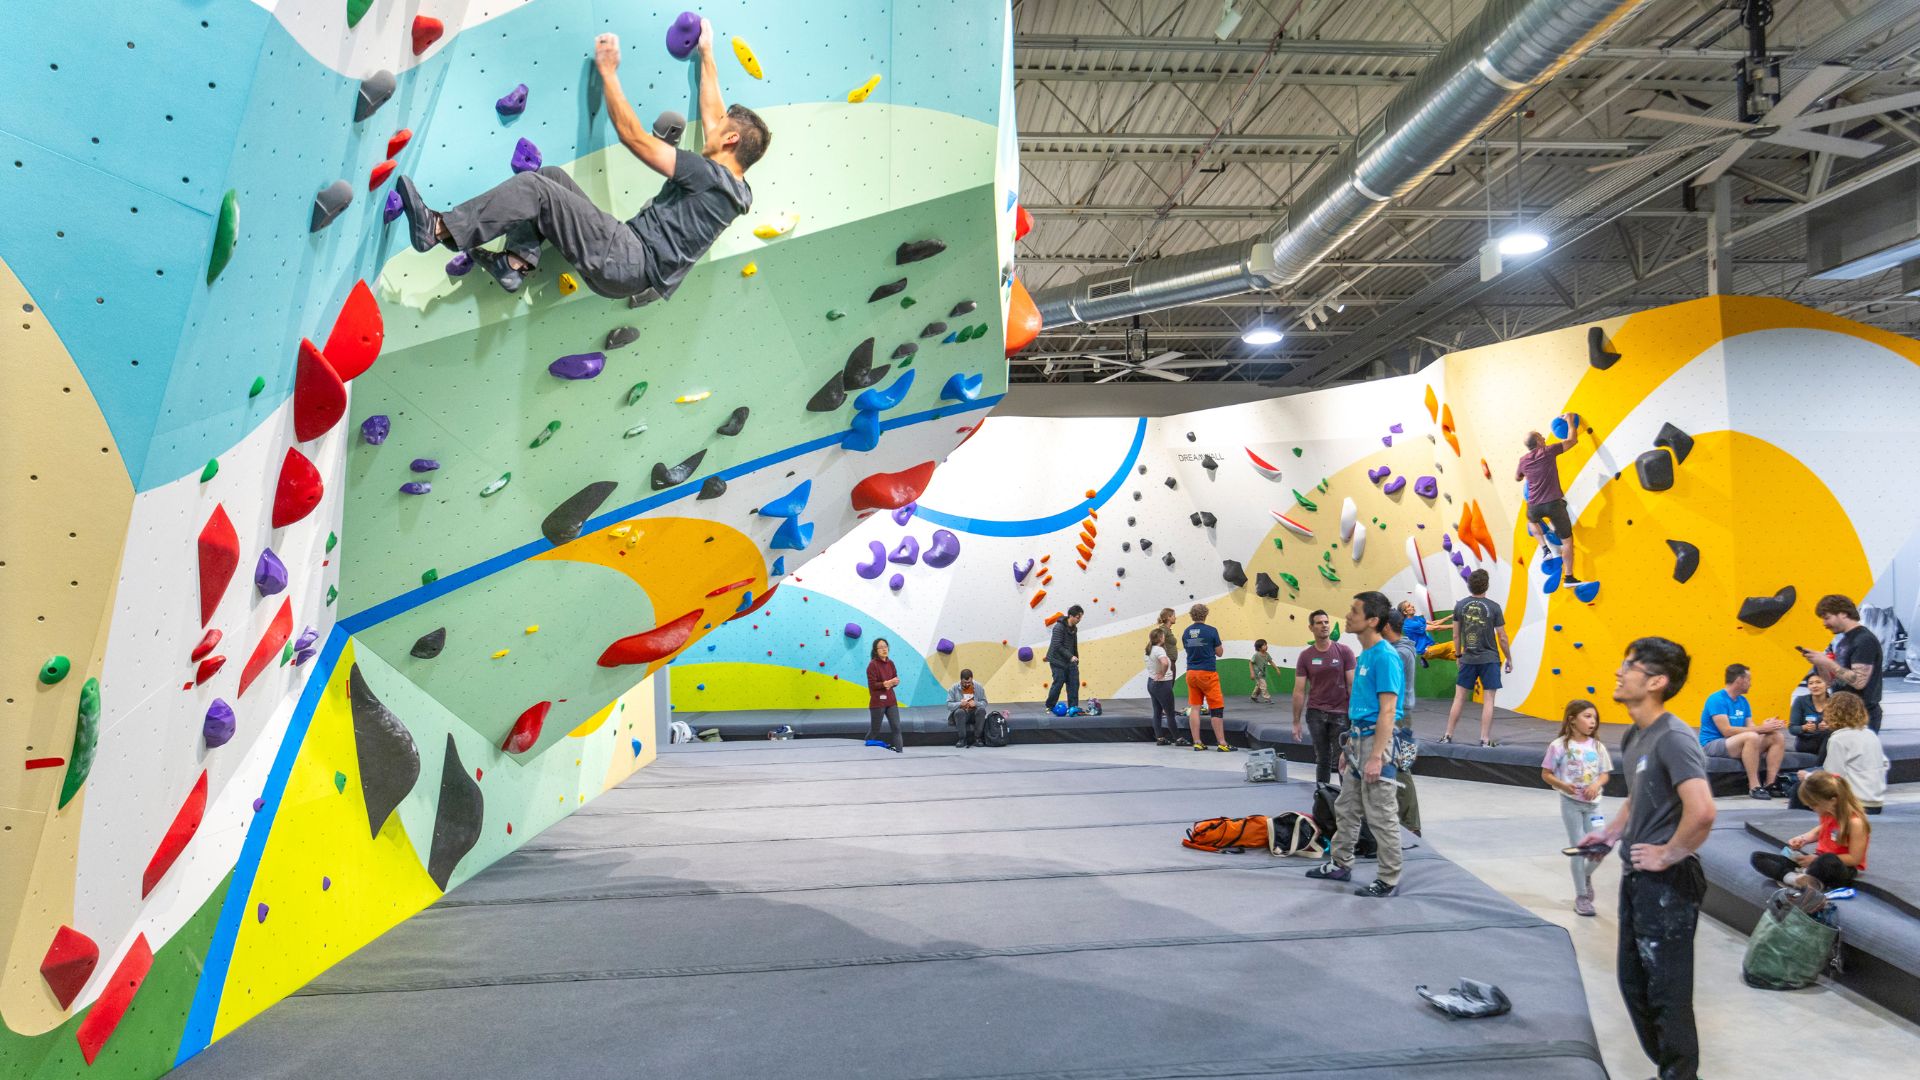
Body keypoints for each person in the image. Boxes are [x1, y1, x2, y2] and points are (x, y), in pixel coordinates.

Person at [394, 23, 767, 299]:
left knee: (535, 189)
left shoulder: (705, 175)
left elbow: (635, 138)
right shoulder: (734, 190)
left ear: (730, 139)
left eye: (720, 128)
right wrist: (708, 52)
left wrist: (608, 72)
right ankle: (514, 263)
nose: (711, 126)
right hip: (629, 272)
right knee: (552, 179)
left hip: (627, 256)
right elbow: (716, 110)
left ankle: (439, 229)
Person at [1577, 637, 1713, 1080]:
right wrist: (1612, 833)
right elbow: (1640, 796)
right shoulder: (1637, 734)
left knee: (1667, 994)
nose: (1618, 672)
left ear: (1656, 681)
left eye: (1629, 666)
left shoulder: (1674, 737)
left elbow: (1703, 811)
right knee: (1634, 984)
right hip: (1639, 879)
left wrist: (1669, 853)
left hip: (1668, 885)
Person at [1306, 591, 1406, 898]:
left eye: (1354, 611)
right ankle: (1340, 863)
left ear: (1372, 621)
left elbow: (1388, 710)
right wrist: (1349, 748)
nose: (1347, 616)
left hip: (1377, 743)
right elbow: (1362, 707)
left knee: (1380, 814)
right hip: (1358, 742)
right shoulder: (1365, 656)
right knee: (1347, 806)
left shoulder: (1386, 657)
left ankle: (1388, 879)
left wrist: (1376, 756)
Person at [1542, 699, 1613, 916]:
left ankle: (1586, 875)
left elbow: (1604, 774)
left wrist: (1596, 785)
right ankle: (1582, 895)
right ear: (1572, 720)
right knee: (1578, 849)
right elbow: (1546, 774)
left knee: (1601, 846)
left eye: (1594, 717)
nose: (1593, 721)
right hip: (1571, 804)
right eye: (1587, 716)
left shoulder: (1597, 746)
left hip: (1593, 806)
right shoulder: (1558, 746)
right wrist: (1563, 785)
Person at [1750, 771, 1871, 893]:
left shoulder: (1855, 823)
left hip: (1838, 866)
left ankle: (1803, 877)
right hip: (1816, 861)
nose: (1811, 808)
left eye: (1814, 804)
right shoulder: (1828, 813)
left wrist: (1816, 860)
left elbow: (1854, 859)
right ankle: (1794, 878)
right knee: (1758, 857)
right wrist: (1802, 839)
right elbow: (1819, 832)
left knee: (1828, 860)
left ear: (1833, 801)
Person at [1440, 569, 1511, 746]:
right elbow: (1502, 637)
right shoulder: (1494, 607)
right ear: (1486, 585)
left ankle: (1448, 735)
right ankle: (1485, 739)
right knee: (1489, 700)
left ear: (1469, 585)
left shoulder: (1460, 606)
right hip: (1490, 659)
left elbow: (1455, 635)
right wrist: (1509, 658)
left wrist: (1458, 655)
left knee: (1459, 698)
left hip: (1468, 659)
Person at [1699, 663, 1787, 799]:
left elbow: (1751, 727)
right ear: (1739, 680)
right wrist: (1760, 729)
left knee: (1776, 736)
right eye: (1749, 680)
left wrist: (1766, 727)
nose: (1750, 684)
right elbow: (1726, 731)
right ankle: (1754, 786)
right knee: (1751, 737)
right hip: (1713, 744)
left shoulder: (1743, 701)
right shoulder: (1716, 699)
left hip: (1737, 742)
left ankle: (1770, 784)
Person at [1801, 594, 1884, 732]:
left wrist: (1827, 662)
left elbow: (1859, 682)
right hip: (1842, 713)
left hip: (1862, 715)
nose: (1824, 624)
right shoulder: (1843, 641)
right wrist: (1821, 664)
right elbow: (1830, 682)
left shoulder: (1864, 640)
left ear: (1843, 614)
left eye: (1827, 618)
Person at [1516, 414, 1583, 584]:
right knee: (1567, 541)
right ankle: (1569, 577)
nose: (1544, 437)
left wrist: (1530, 474)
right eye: (1541, 436)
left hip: (1535, 506)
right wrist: (1569, 420)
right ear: (1538, 442)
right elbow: (1572, 440)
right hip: (1553, 504)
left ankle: (1544, 548)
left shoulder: (1523, 460)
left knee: (1531, 518)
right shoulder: (1548, 451)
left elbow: (1517, 478)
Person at [1291, 610, 1356, 784]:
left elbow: (1353, 686)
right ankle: (1323, 795)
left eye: (1326, 622)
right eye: (1319, 623)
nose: (1324, 625)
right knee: (1323, 759)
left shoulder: (1344, 652)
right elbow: (1299, 690)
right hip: (1316, 713)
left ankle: (1347, 801)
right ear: (1311, 627)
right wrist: (1296, 722)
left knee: (1344, 758)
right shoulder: (1305, 656)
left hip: (1341, 713)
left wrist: (1357, 716)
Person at [1382, 608, 1422, 837]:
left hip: (1397, 717)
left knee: (1400, 768)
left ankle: (1410, 824)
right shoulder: (1402, 649)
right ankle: (1406, 822)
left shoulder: (1398, 654)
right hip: (1399, 715)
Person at [1818, 691, 1889, 814]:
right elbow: (1885, 764)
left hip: (1855, 804)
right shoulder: (1870, 734)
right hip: (1876, 801)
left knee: (1803, 788)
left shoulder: (1838, 739)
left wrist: (1809, 777)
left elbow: (1834, 776)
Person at [1182, 604, 1231, 752]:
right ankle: (1222, 743)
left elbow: (1188, 649)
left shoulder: (1186, 632)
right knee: (1216, 708)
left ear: (1192, 615)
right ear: (1205, 614)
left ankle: (1197, 742)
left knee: (1195, 708)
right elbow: (1219, 652)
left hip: (1191, 673)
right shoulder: (1211, 631)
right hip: (1207, 673)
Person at [864, 638, 903, 753]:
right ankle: (866, 745)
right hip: (878, 702)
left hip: (891, 701)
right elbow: (872, 685)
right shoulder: (872, 665)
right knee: (875, 730)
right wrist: (885, 684)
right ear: (876, 651)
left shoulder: (891, 663)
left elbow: (894, 677)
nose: (884, 649)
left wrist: (895, 682)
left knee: (897, 728)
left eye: (885, 646)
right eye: (881, 647)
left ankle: (900, 752)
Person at [1044, 605, 1083, 713]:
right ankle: (1050, 706)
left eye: (1080, 618)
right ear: (1071, 616)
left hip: (1069, 660)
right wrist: (1070, 656)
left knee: (1074, 683)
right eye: (1077, 617)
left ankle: (1073, 707)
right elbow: (1057, 645)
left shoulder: (1074, 628)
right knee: (1059, 682)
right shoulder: (1058, 627)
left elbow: (1074, 645)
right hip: (1057, 660)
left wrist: (1076, 659)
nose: (1079, 620)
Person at [1156, 609, 1187, 744]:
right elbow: (1159, 645)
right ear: (1169, 617)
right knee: (1167, 687)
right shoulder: (1163, 630)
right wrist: (1165, 661)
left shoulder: (1168, 630)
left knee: (1170, 686)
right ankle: (1166, 709)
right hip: (1168, 662)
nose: (1176, 618)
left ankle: (1164, 708)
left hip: (1170, 662)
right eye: (1174, 615)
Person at [1788, 673, 1832, 758]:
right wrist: (1804, 727)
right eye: (1810, 683)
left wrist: (1829, 726)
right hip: (1807, 742)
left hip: (1828, 739)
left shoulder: (1834, 701)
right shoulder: (1800, 701)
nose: (1814, 686)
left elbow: (1843, 725)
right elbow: (1792, 728)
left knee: (1829, 734)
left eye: (1818, 682)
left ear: (1827, 684)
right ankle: (1819, 766)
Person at [947, 669, 988, 748]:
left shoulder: (978, 686)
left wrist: (976, 703)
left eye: (969, 682)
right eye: (964, 683)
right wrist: (959, 704)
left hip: (974, 713)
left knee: (981, 710)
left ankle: (977, 738)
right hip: (962, 714)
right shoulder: (954, 688)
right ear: (960, 680)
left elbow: (985, 702)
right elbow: (948, 705)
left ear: (972, 679)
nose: (966, 684)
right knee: (959, 712)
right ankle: (962, 739)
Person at [1398, 600, 1436, 666]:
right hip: (1424, 648)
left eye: (1411, 604)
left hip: (1428, 643)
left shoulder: (1417, 618)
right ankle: (1424, 655)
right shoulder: (1409, 624)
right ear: (1404, 612)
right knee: (1450, 647)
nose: (1412, 606)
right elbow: (1434, 627)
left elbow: (1433, 624)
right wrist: (1453, 626)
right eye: (1409, 606)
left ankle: (1424, 657)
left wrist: (1449, 617)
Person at [1249, 639, 1276, 704]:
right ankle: (1267, 698)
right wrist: (1252, 673)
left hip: (1263, 673)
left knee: (1259, 686)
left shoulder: (1267, 654)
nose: (1266, 646)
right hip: (1257, 674)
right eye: (1264, 645)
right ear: (1259, 648)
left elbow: (1271, 662)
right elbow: (1250, 662)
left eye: (1266, 645)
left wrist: (1276, 669)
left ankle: (1254, 696)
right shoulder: (1256, 655)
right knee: (1263, 685)